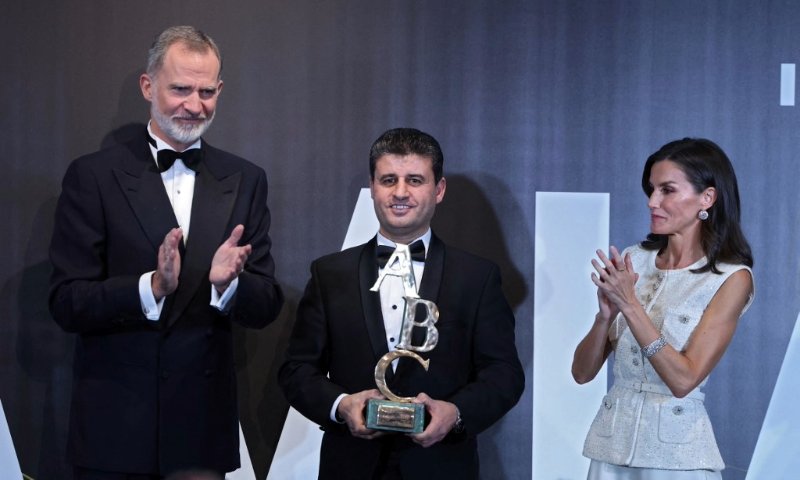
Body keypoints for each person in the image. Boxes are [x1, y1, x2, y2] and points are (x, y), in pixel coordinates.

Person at [48, 26, 284, 479]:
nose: (194, 105)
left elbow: (267, 303)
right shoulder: (93, 177)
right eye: (180, 89)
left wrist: (229, 287)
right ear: (147, 86)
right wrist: (151, 287)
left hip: (201, 435)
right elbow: (65, 302)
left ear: (219, 91)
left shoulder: (246, 179)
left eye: (206, 92)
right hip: (114, 432)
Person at [278, 127, 524, 479]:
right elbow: (297, 370)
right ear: (373, 187)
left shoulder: (477, 277)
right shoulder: (330, 273)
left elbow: (504, 374)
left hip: (442, 466)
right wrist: (342, 405)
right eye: (389, 180)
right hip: (350, 466)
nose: (400, 192)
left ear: (439, 189)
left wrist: (455, 413)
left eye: (415, 180)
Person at [571, 138, 754, 479]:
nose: (652, 201)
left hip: (677, 459)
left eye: (667, 190)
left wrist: (630, 305)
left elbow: (683, 380)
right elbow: (581, 374)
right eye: (652, 189)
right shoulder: (634, 259)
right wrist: (604, 317)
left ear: (707, 198)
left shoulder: (730, 278)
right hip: (610, 452)